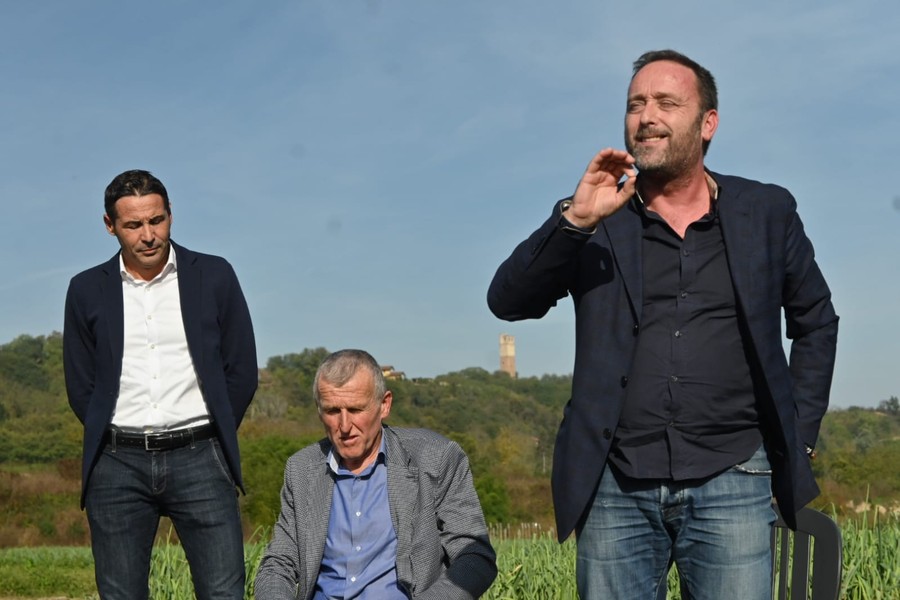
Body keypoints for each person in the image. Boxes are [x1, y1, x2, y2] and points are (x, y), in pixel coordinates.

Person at [487, 49, 838, 600]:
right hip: (615, 485)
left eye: (666, 103)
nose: (646, 116)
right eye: (636, 105)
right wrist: (575, 221)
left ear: (707, 123)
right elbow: (508, 301)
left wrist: (801, 436)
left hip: (734, 476)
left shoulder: (766, 212)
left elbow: (816, 321)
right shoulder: (597, 216)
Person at [63, 169, 258, 599]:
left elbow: (241, 369)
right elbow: (81, 384)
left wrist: (214, 430)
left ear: (170, 214)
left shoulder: (214, 275)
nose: (148, 235)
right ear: (110, 226)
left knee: (224, 592)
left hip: (202, 456)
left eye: (157, 220)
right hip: (116, 463)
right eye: (133, 225)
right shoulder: (85, 290)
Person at [254, 349, 497, 600]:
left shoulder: (435, 459)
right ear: (319, 410)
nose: (344, 426)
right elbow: (278, 563)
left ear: (384, 405)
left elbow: (475, 557)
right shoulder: (302, 469)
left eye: (356, 409)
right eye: (332, 411)